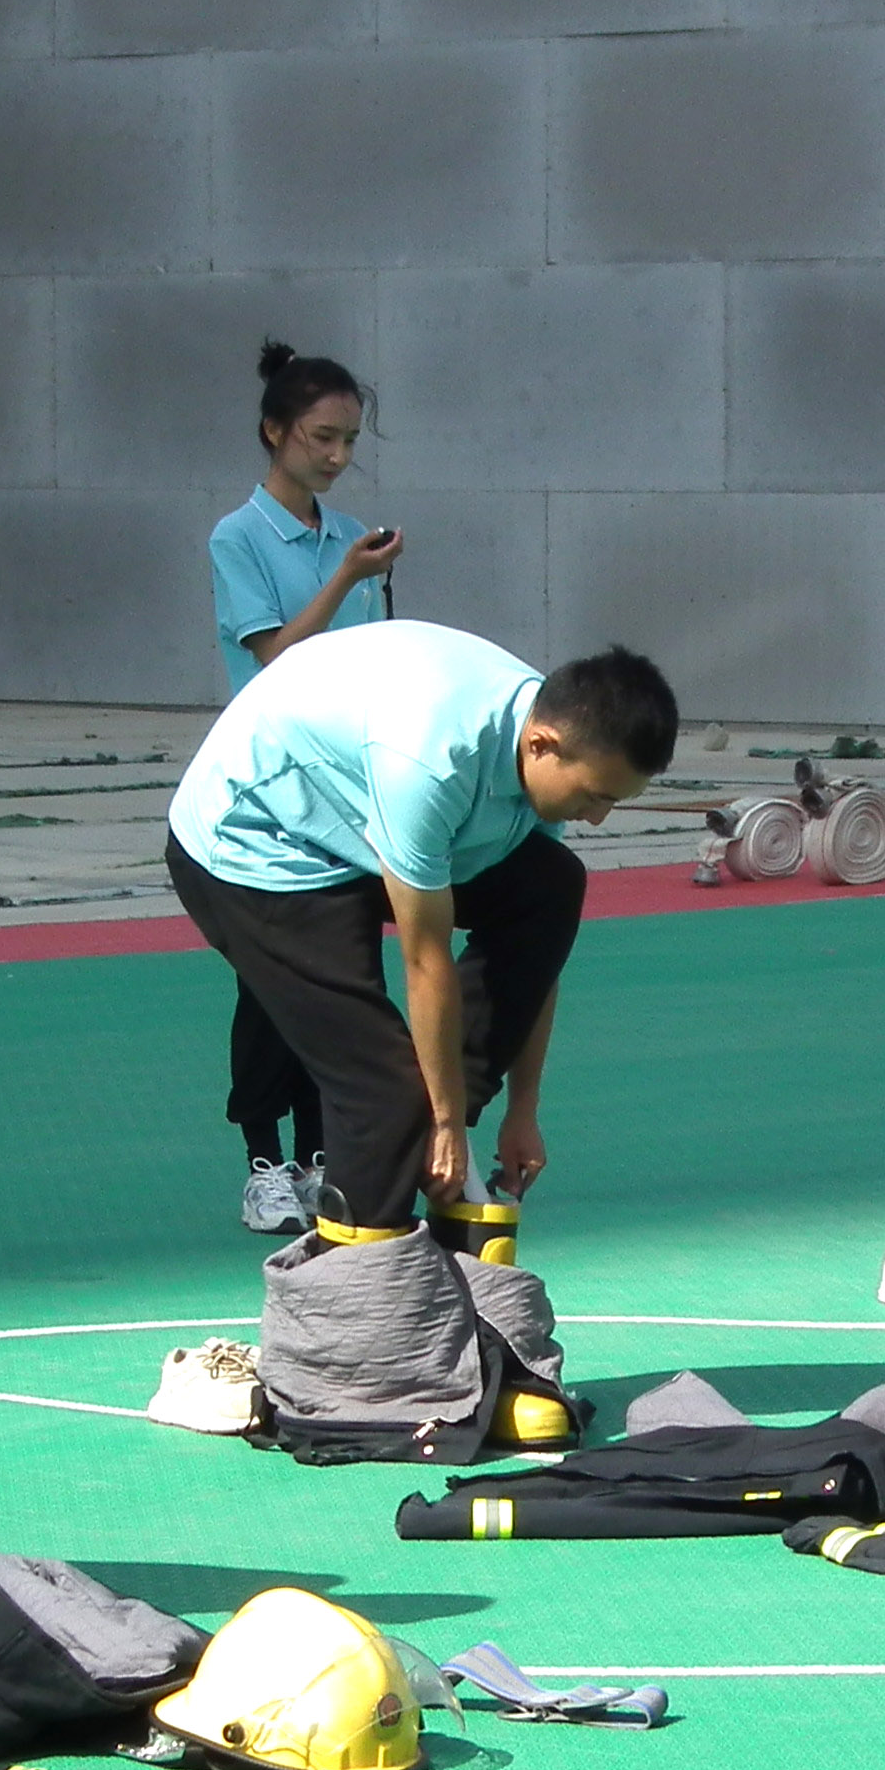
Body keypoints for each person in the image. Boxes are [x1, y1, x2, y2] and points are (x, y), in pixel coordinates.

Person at [164, 622, 676, 1244]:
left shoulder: (545, 741)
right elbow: (425, 959)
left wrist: (521, 1111)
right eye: (595, 796)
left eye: (613, 801)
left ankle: (428, 1153)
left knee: (553, 883)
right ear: (543, 745)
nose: (597, 817)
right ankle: (354, 1284)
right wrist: (441, 1119)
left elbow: (537, 959)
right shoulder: (432, 762)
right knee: (386, 1097)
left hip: (354, 818)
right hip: (257, 848)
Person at [209, 342, 403, 1233]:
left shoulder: (348, 533)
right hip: (266, 796)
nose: (336, 455)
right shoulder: (238, 537)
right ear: (274, 432)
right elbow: (275, 656)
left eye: (349, 441)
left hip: (343, 791)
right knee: (270, 981)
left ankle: (324, 1156)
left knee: (345, 975)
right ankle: (264, 1162)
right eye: (321, 437)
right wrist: (348, 578)